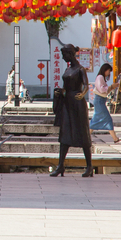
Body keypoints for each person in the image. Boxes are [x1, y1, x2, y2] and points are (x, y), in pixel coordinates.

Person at [50, 44, 93, 178]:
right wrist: (60, 92)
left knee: (82, 133)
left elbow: (86, 84)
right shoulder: (68, 70)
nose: (63, 57)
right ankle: (60, 165)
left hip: (77, 103)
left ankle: (89, 166)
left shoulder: (80, 69)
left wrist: (83, 93)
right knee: (65, 133)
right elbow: (65, 87)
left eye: (64, 55)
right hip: (67, 103)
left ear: (70, 54)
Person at [89, 63, 121, 144]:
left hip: (100, 101)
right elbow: (102, 90)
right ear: (105, 70)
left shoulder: (101, 77)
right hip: (99, 101)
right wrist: (111, 87)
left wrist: (112, 87)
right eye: (108, 71)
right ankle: (115, 138)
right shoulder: (100, 77)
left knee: (96, 120)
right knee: (107, 119)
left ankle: (86, 136)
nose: (109, 73)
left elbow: (104, 90)